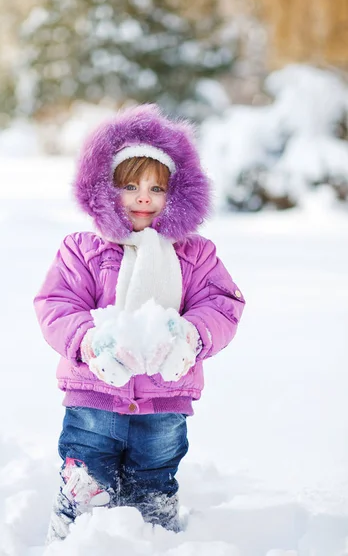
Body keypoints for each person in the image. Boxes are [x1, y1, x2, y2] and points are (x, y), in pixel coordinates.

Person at [34, 104, 245, 543]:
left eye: (157, 187)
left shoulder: (195, 254)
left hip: (165, 398)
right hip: (93, 394)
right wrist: (89, 341)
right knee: (87, 467)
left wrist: (192, 335)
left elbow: (221, 304)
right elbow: (57, 302)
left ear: (178, 194)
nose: (143, 197)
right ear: (105, 190)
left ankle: (153, 530)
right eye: (129, 185)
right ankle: (76, 528)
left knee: (155, 470)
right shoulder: (83, 250)